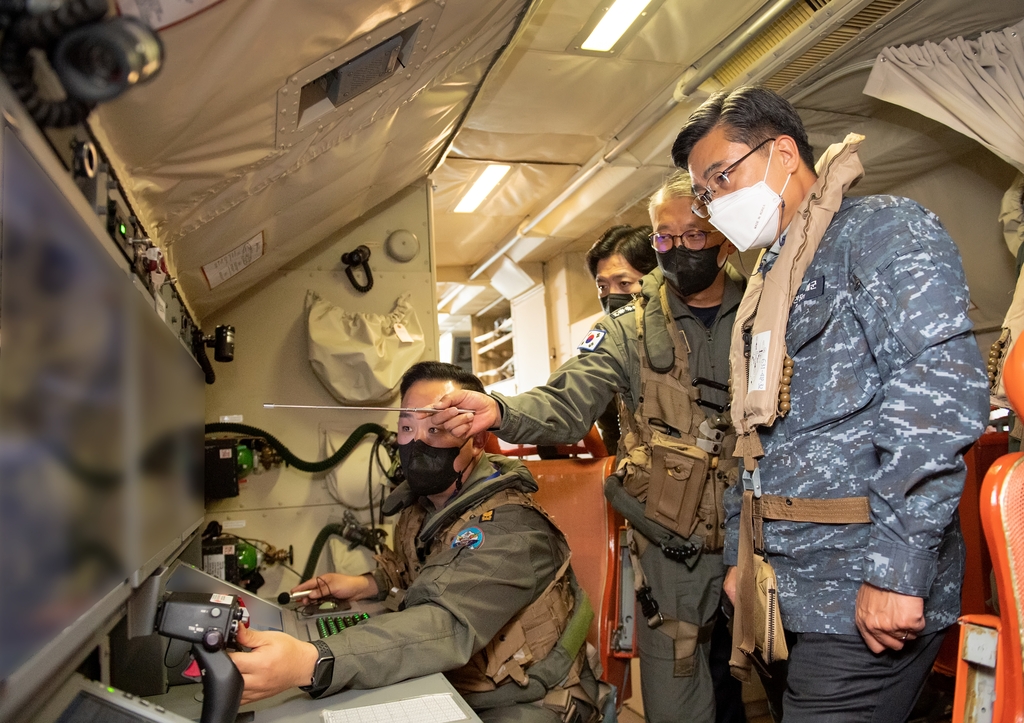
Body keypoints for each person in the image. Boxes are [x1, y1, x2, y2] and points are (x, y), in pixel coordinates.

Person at [671, 86, 989, 721]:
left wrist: (896, 572)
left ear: (783, 153)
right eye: (703, 193)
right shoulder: (772, 278)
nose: (712, 204)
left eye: (720, 177)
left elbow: (937, 398)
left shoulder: (882, 233)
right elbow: (755, 439)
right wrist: (743, 554)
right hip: (789, 594)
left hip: (861, 589)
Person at [431, 174, 746, 723]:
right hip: (675, 541)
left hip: (763, 533)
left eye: (692, 237)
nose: (676, 251)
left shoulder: (770, 311)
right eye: (664, 239)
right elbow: (570, 400)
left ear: (727, 238)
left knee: (791, 685)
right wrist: (502, 410)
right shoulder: (626, 330)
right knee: (678, 698)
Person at [229, 362, 601, 723]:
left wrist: (311, 661)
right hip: (458, 681)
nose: (418, 441)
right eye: (407, 427)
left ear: (477, 439)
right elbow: (418, 568)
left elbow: (443, 625)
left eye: (437, 428)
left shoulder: (512, 530)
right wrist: (367, 584)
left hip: (530, 697)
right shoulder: (423, 505)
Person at [584, 225, 658, 456]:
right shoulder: (601, 335)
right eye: (602, 286)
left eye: (624, 283)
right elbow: (606, 418)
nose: (611, 295)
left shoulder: (681, 326)